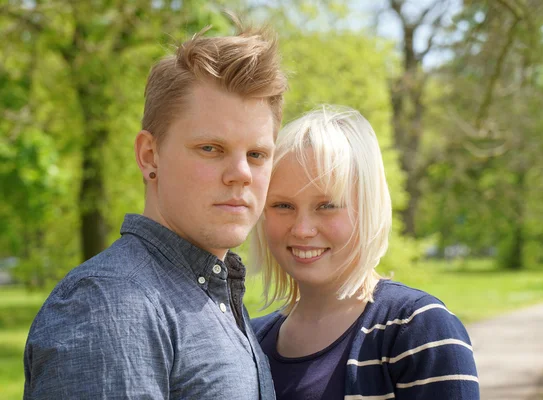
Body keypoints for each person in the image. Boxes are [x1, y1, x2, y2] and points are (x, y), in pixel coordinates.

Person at [24, 22, 287, 399]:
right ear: (150, 156)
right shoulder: (111, 305)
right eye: (210, 148)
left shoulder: (217, 297)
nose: (241, 174)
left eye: (257, 154)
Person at [250, 105, 480, 399]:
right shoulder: (251, 341)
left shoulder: (417, 329)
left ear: (368, 208)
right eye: (283, 205)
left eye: (327, 205)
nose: (302, 229)